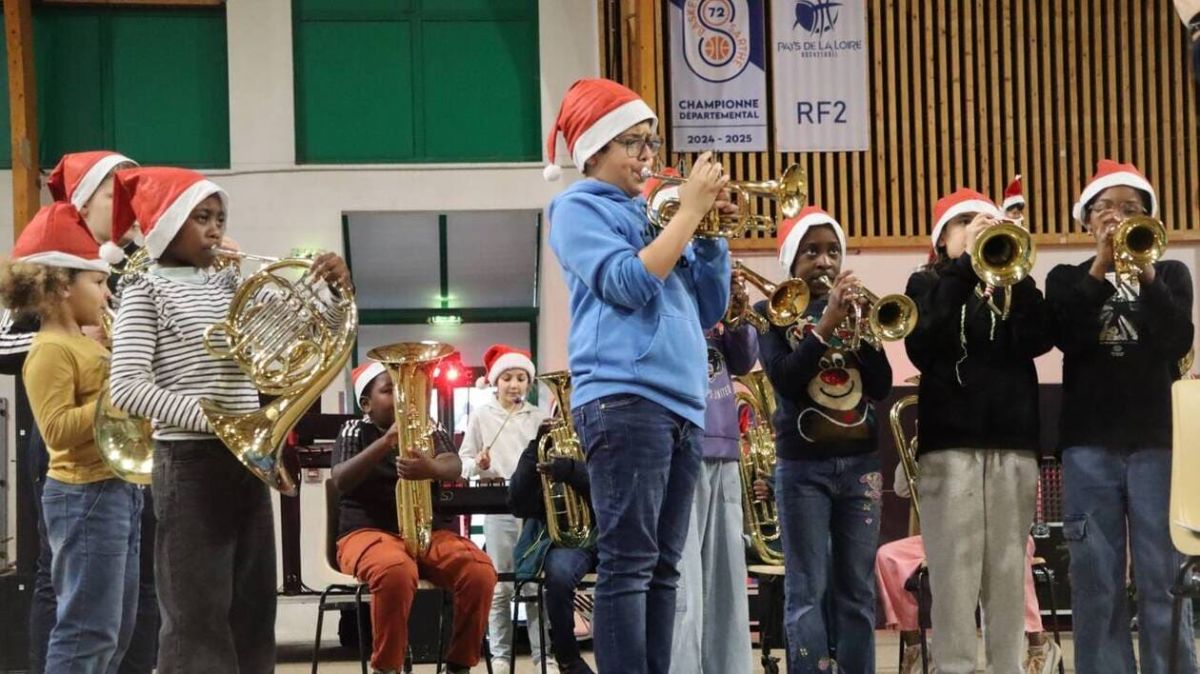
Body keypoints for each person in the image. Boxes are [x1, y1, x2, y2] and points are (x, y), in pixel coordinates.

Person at [107, 166, 352, 672]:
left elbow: (307, 332)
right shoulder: (145, 292)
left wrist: (330, 292)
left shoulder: (227, 283)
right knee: (197, 617)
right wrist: (219, 420)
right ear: (167, 225)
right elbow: (126, 387)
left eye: (220, 217)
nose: (216, 229)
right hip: (189, 462)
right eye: (201, 218)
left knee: (252, 611)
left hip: (246, 459)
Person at [545, 77, 732, 674]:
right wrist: (691, 213)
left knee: (664, 566)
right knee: (629, 563)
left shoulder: (655, 214)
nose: (650, 156)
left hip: (680, 402)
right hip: (623, 398)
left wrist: (712, 235)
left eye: (652, 141)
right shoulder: (575, 207)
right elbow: (626, 284)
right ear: (594, 150)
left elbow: (710, 308)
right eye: (634, 142)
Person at [1046, 159, 1197, 673]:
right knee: (1097, 579)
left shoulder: (1172, 274)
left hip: (1157, 443)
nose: (1116, 217)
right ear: (1086, 219)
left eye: (1131, 210)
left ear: (1150, 221)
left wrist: (1146, 271)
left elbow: (1179, 339)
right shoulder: (1065, 279)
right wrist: (1101, 267)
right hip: (1088, 444)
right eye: (1105, 208)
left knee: (1163, 576)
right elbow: (1066, 335)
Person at [903, 188, 1053, 674]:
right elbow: (923, 343)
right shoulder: (924, 283)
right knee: (954, 578)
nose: (975, 228)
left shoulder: (1013, 282)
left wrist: (1018, 271)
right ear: (942, 237)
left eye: (984, 221)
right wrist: (965, 266)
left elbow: (1039, 338)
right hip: (950, 446)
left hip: (1013, 442)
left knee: (1009, 574)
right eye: (963, 222)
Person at [0, 202, 142, 673]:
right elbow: (58, 431)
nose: (106, 294)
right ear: (62, 285)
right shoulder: (49, 350)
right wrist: (117, 400)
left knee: (115, 632)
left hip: (118, 489)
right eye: (98, 282)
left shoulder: (87, 342)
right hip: (84, 495)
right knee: (85, 632)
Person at [756, 206, 891, 673]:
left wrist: (863, 329)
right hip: (802, 470)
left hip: (861, 466)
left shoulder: (858, 311)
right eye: (811, 251)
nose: (825, 261)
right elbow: (786, 380)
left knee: (856, 589)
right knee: (806, 589)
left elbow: (879, 386)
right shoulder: (768, 313)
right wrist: (825, 327)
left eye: (833, 251)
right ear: (792, 260)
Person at [332, 361, 497, 674]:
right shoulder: (354, 429)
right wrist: (386, 442)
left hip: (427, 531)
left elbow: (453, 465)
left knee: (480, 571)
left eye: (405, 389)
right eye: (389, 389)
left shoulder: (428, 425)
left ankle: (459, 664)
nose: (402, 395)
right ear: (366, 404)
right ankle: (388, 667)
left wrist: (431, 469)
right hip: (367, 532)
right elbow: (340, 478)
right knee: (395, 570)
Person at [667, 189, 758, 674]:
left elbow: (744, 360)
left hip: (723, 443)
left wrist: (739, 311)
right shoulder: (671, 272)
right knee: (686, 581)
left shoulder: (711, 282)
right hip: (682, 441)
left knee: (725, 578)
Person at [875, 462, 1063, 673]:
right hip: (947, 533)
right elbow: (901, 488)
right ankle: (916, 648)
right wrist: (919, 450)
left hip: (999, 529)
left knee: (1012, 552)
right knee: (888, 555)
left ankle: (1039, 646)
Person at [459, 344, 550, 674]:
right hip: (498, 506)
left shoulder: (539, 416)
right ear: (496, 382)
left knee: (537, 581)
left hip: (535, 508)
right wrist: (480, 465)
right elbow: (464, 462)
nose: (515, 385)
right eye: (508, 378)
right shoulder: (482, 416)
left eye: (522, 378)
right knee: (501, 583)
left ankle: (545, 658)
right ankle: (499, 656)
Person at [508, 421, 598, 674]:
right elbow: (518, 504)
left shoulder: (603, 437)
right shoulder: (544, 448)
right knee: (558, 575)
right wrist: (535, 448)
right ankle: (568, 660)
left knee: (629, 575)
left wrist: (571, 470)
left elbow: (611, 488)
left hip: (608, 535)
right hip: (567, 542)